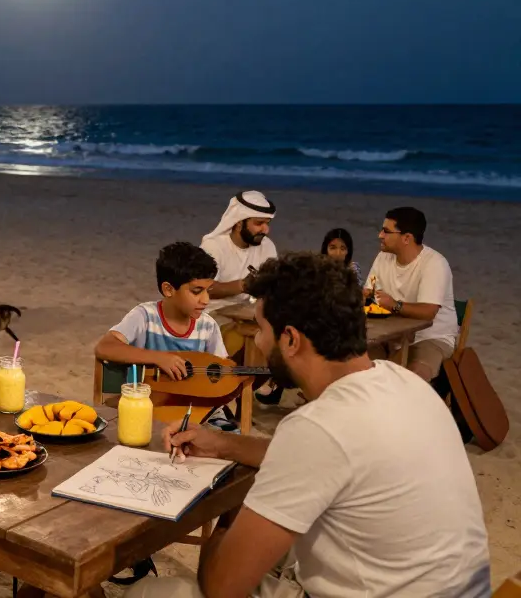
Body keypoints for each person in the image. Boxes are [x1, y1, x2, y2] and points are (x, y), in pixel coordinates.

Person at [126, 253, 490, 598]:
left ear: (290, 339)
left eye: (260, 328)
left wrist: (231, 507)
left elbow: (222, 586)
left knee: (147, 592)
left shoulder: (319, 427)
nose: (257, 339)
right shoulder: (406, 384)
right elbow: (322, 458)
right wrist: (222, 444)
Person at [95, 242, 227, 390]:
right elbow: (105, 347)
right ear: (168, 289)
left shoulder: (208, 326)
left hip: (194, 407)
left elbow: (221, 371)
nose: (206, 300)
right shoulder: (145, 316)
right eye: (197, 291)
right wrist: (158, 358)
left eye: (208, 290)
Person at [363, 207, 457, 382]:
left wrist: (394, 305)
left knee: (414, 377)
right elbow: (370, 290)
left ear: (406, 238)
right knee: (357, 365)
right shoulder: (383, 258)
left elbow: (429, 312)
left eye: (386, 231)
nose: (380, 235)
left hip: (430, 337)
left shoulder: (434, 264)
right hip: (391, 335)